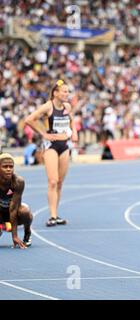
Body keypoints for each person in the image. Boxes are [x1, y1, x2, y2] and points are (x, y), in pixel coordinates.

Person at [25, 79, 78, 227]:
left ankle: (56, 214)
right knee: (53, 181)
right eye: (64, 91)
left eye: (68, 91)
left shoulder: (67, 106)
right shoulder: (48, 106)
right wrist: (43, 133)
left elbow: (71, 120)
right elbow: (29, 119)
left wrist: (74, 133)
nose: (67, 94)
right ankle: (52, 216)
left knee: (60, 182)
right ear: (55, 93)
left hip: (64, 145)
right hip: (51, 146)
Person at [0, 153, 33, 248]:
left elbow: (13, 209)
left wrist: (14, 236)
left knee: (25, 211)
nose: (8, 169)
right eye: (5, 166)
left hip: (13, 213)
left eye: (11, 166)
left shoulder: (18, 182)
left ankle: (27, 233)